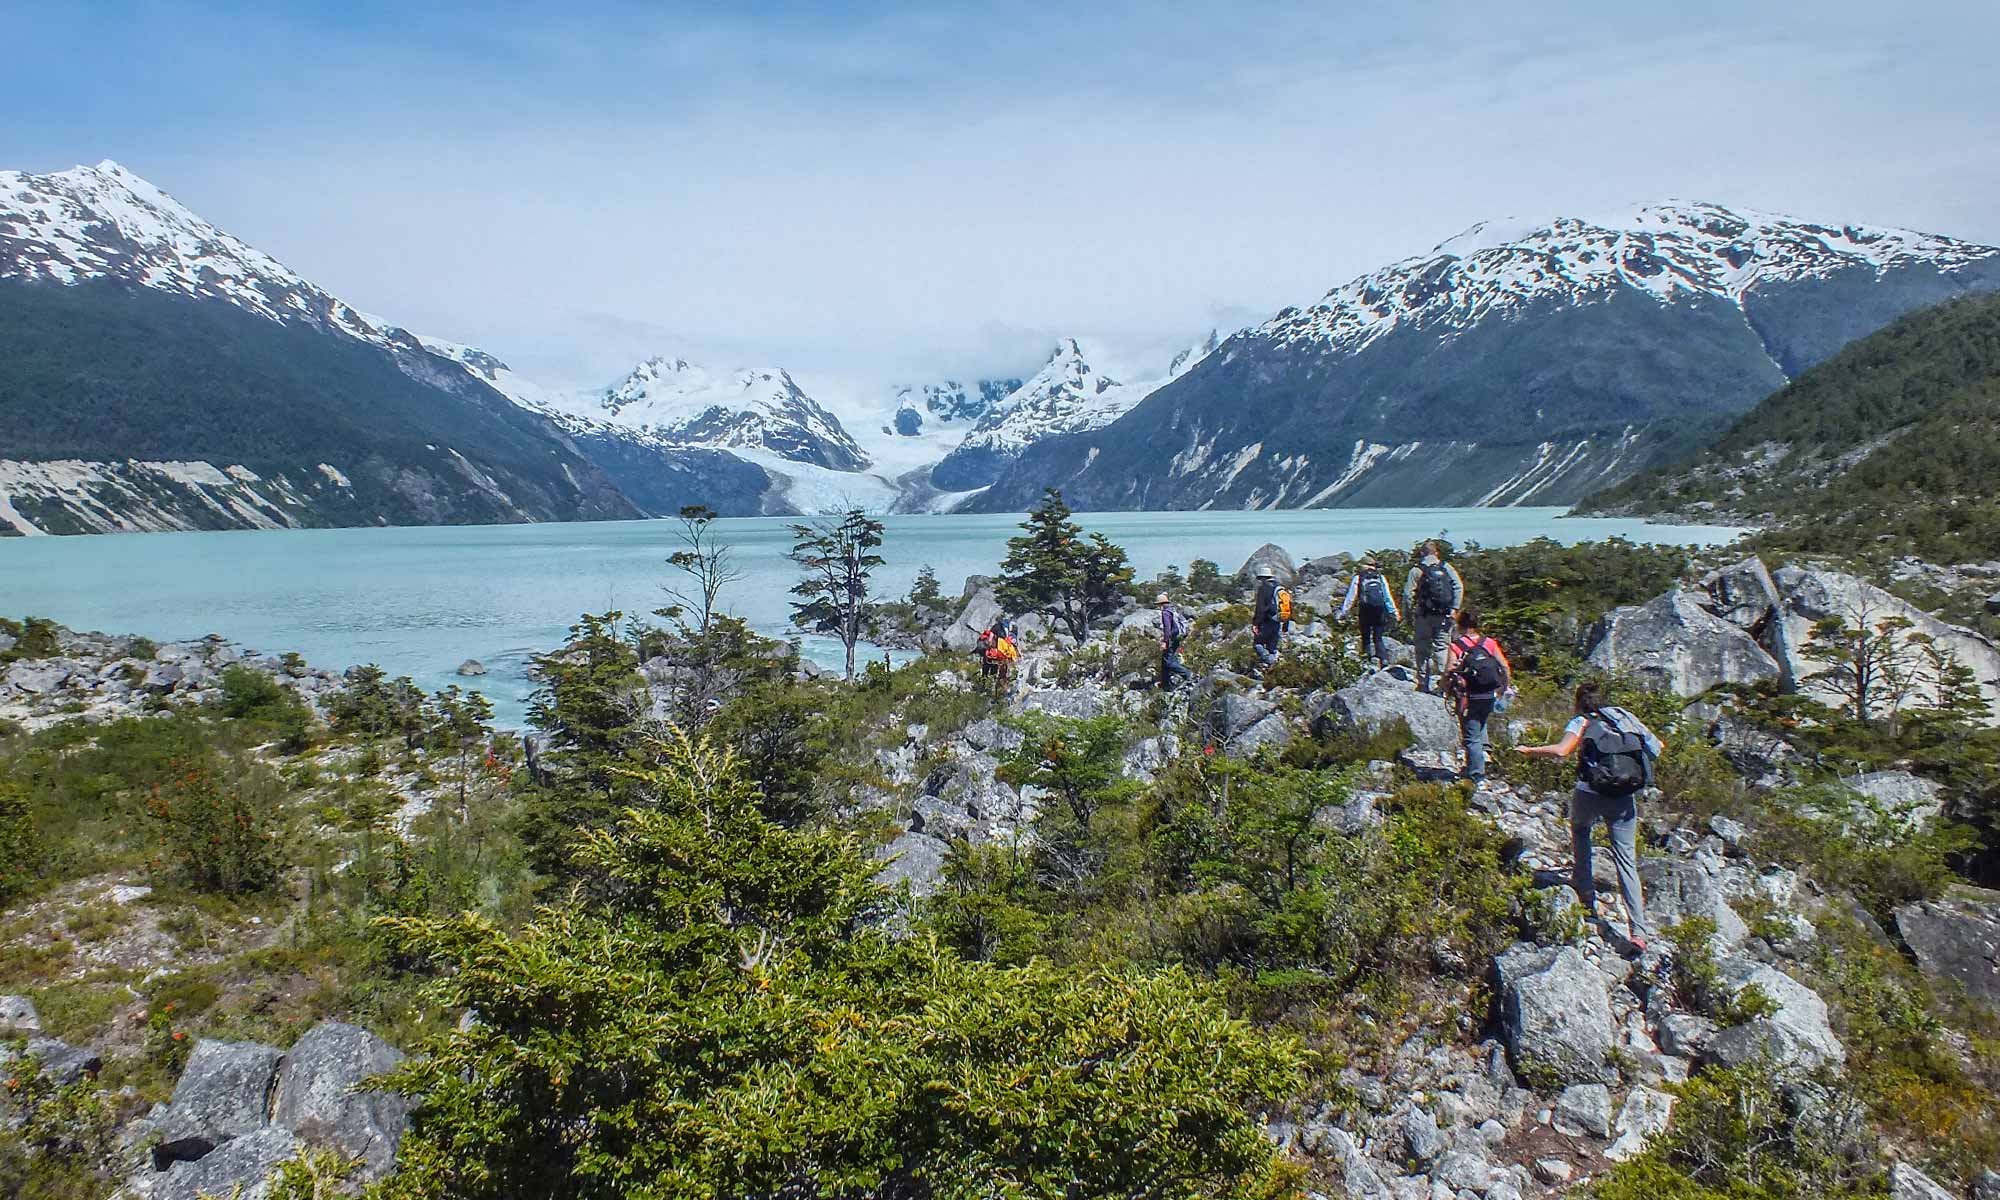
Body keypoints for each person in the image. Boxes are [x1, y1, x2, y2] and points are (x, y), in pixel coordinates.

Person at [1516, 682, 1665, 951]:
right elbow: (1657, 748)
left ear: (1580, 701)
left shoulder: (1582, 721)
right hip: (1624, 796)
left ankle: (1585, 896)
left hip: (1589, 792)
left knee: (1581, 831)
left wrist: (1530, 750)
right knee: (1626, 860)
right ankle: (1638, 932)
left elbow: (1563, 751)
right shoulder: (1625, 717)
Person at [1443, 608, 1511, 783]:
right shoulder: (1489, 643)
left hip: (1468, 697)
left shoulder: (1456, 646)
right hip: (1489, 694)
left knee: (1471, 736)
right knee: (1481, 724)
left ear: (1460, 625)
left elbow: (1449, 670)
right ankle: (1481, 757)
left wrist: (1444, 686)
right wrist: (1504, 687)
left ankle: (1477, 776)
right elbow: (1504, 666)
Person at [1403, 541, 1464, 694]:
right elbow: (1458, 586)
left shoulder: (1416, 570)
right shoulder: (1446, 567)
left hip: (1423, 615)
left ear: (1422, 553)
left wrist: (1408, 615)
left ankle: (1423, 683)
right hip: (1444, 615)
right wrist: (1454, 608)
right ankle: (1447, 684)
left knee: (1422, 650)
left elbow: (1407, 595)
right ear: (1436, 553)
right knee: (1442, 648)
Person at [1336, 558, 1400, 667]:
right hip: (1380, 610)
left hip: (1365, 610)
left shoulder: (1359, 577)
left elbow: (1351, 597)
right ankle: (1383, 659)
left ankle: (1367, 660)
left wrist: (1344, 612)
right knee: (1378, 637)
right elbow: (1387, 596)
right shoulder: (1380, 577)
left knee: (1365, 636)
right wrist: (1394, 612)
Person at [1157, 593, 1193, 691]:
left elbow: (1167, 628)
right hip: (1178, 637)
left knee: (1168, 662)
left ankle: (1187, 674)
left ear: (1161, 604)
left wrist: (1165, 641)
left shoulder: (1165, 613)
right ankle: (1165, 684)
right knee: (1165, 661)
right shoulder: (1172, 610)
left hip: (1171, 638)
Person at [1250, 566, 1282, 675]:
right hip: (1278, 621)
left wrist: (1256, 623)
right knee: (1272, 647)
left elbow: (1260, 608)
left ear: (1262, 578)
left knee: (1257, 643)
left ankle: (1269, 662)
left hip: (1267, 622)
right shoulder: (1279, 587)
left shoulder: (1263, 588)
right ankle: (1273, 669)